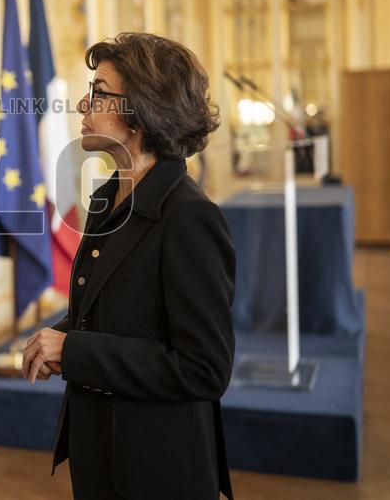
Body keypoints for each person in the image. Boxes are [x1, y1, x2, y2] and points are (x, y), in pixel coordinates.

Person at [21, 32, 236, 499]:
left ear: (141, 111)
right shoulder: (106, 200)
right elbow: (113, 308)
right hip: (102, 449)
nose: (83, 103)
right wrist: (53, 337)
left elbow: (204, 368)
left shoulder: (188, 216)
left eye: (99, 92)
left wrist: (72, 350)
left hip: (161, 464)